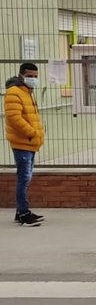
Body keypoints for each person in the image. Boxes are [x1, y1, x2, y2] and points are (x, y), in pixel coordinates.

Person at [5, 62, 45, 227]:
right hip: (22, 142)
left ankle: (21, 210)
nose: (33, 79)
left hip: (29, 142)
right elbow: (14, 118)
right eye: (30, 76)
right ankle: (23, 214)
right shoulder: (14, 92)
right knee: (24, 178)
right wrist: (32, 132)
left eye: (35, 77)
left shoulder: (27, 92)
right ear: (21, 75)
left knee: (25, 178)